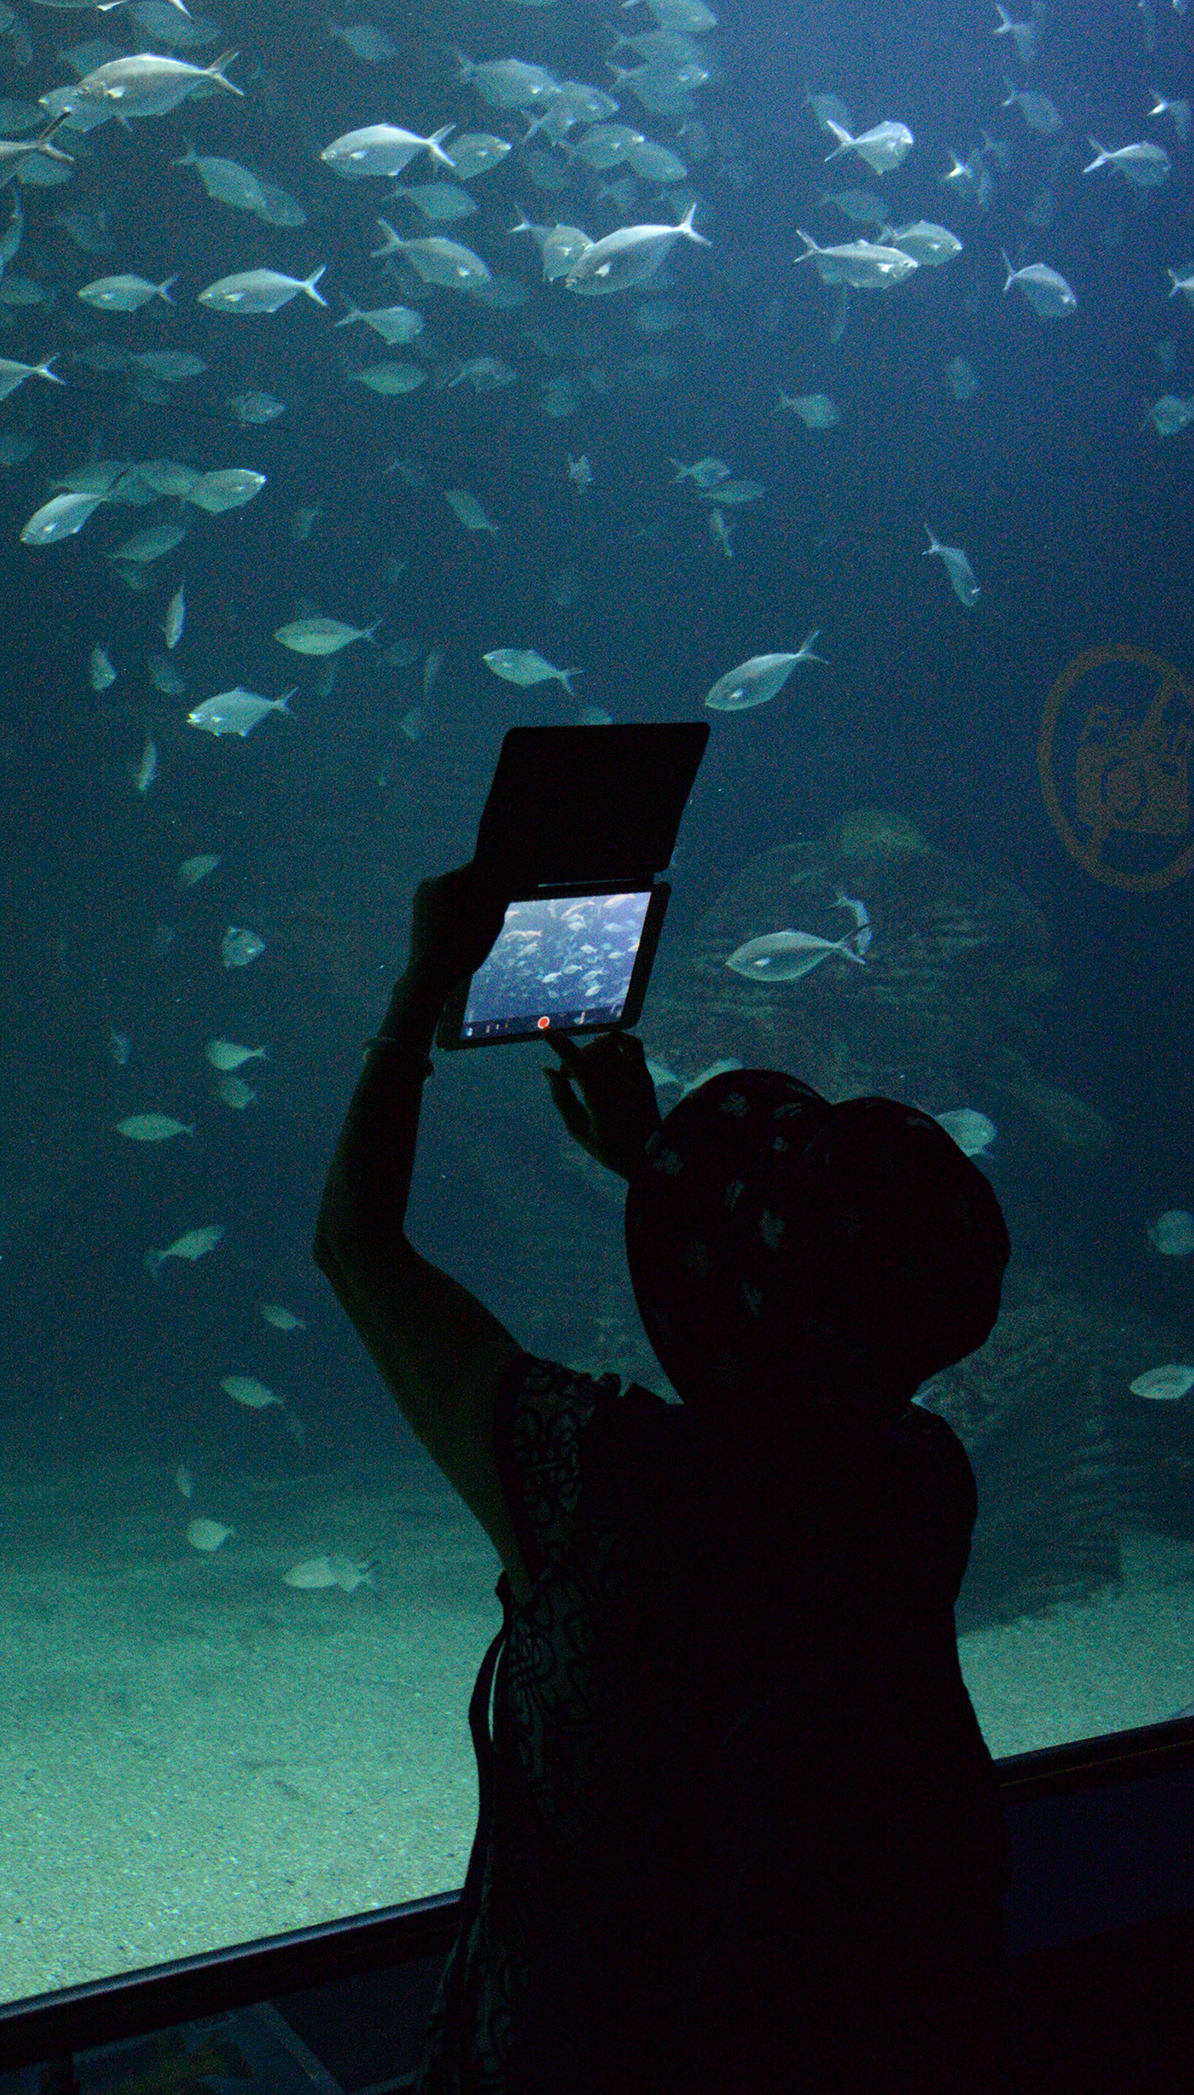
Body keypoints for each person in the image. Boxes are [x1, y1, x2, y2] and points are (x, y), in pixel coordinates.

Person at [313, 864, 1012, 2095]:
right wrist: (659, 1167)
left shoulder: (601, 1486)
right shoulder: (918, 1479)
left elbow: (358, 1243)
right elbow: (809, 1316)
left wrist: (422, 982)